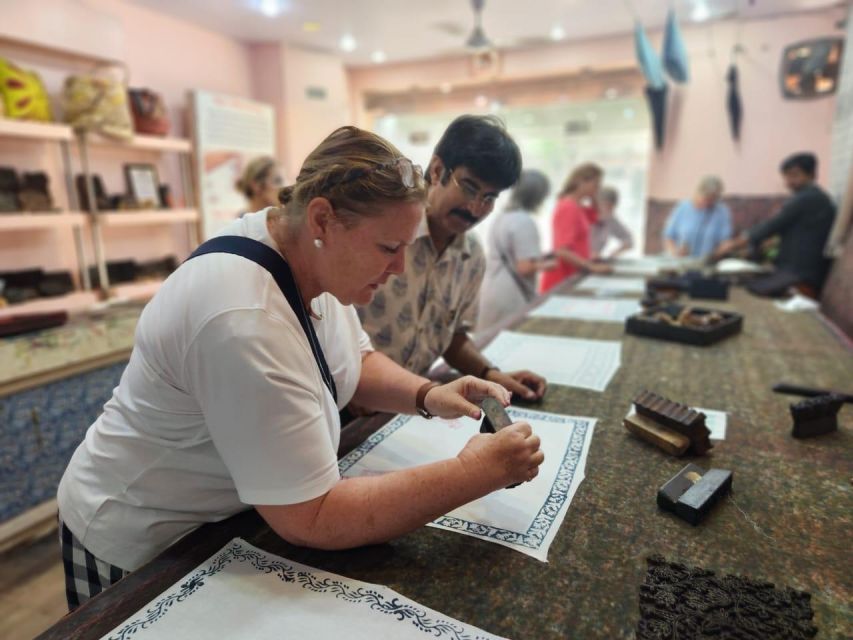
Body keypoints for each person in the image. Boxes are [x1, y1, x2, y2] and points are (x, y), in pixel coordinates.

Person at [57, 126, 544, 610]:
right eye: (388, 248)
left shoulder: (306, 254)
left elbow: (355, 360)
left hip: (222, 518)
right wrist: (471, 473)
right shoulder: (243, 318)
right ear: (322, 219)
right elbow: (313, 516)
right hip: (144, 536)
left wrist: (428, 395)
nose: (400, 267)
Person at [357, 115, 547, 403]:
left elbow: (452, 337)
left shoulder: (471, 256)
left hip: (412, 402)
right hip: (351, 401)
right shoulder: (383, 231)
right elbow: (330, 323)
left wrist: (490, 374)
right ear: (437, 170)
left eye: (489, 198)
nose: (475, 208)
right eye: (469, 187)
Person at [714, 152, 836, 296]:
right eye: (786, 176)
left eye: (795, 175)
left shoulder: (808, 198)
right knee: (742, 281)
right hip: (793, 271)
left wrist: (733, 244)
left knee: (743, 287)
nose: (789, 181)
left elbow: (770, 226)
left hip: (802, 277)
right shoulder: (814, 198)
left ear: (812, 175)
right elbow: (792, 230)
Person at [476, 169, 555, 333]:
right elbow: (524, 268)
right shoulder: (524, 222)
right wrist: (549, 264)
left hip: (491, 288)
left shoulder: (502, 217)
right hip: (512, 295)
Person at [540, 163, 612, 293]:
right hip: (562, 278)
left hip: (573, 274)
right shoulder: (569, 207)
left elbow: (598, 217)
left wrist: (594, 197)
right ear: (581, 181)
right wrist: (591, 266)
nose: (598, 189)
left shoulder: (578, 207)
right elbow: (562, 250)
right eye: (596, 185)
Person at [663, 176, 732, 258]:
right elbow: (669, 236)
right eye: (705, 199)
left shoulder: (721, 211)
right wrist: (675, 252)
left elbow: (724, 241)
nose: (707, 204)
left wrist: (717, 253)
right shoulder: (683, 207)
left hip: (707, 262)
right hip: (681, 261)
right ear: (698, 193)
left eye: (712, 201)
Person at [590, 186, 634, 260]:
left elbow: (629, 240)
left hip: (595, 261)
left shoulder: (611, 220)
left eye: (611, 207)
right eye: (605, 205)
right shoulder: (583, 216)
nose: (608, 210)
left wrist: (615, 253)